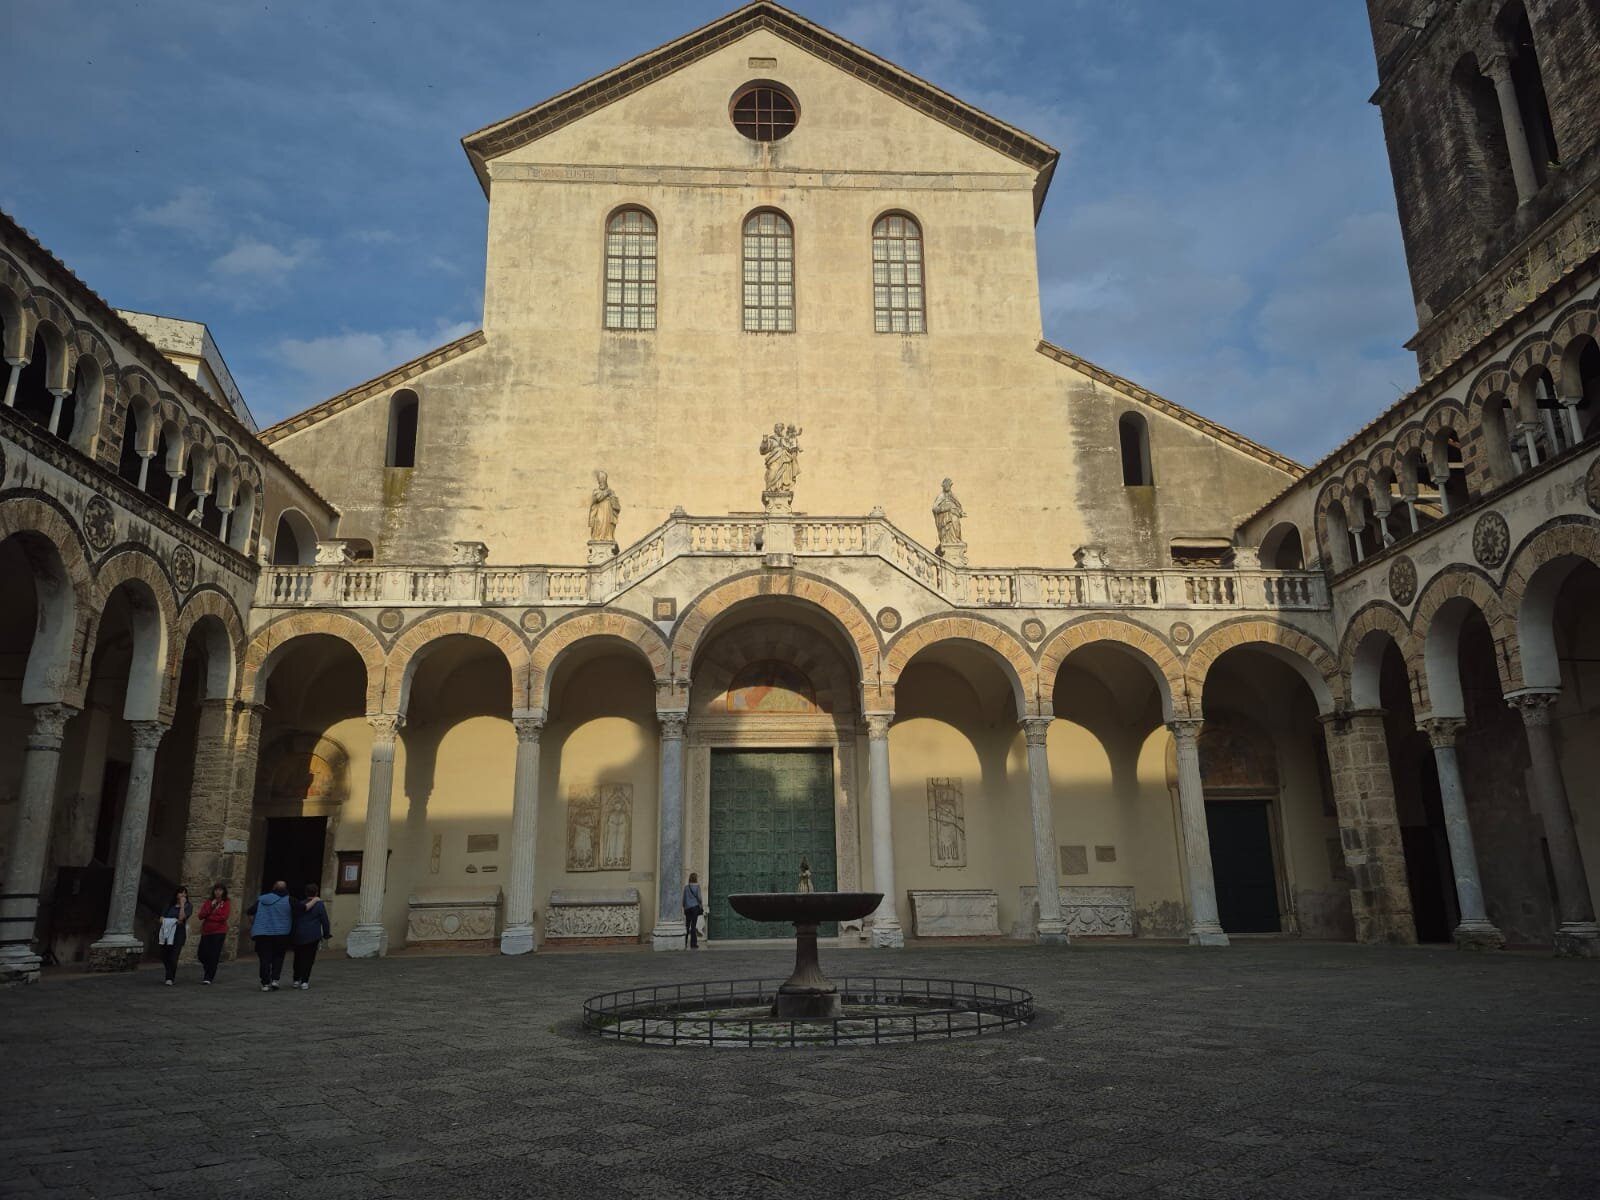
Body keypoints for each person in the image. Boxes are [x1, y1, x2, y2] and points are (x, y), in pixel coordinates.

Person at [247, 880, 296, 992]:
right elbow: (301, 909)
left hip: (263, 933)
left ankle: (265, 983)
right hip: (281, 933)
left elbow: (250, 912)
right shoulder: (288, 899)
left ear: (273, 888)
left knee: (264, 959)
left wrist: (254, 923)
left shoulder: (262, 899)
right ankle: (275, 980)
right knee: (278, 957)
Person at [291, 884, 332, 990]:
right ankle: (305, 980)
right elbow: (324, 920)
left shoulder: (300, 904)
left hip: (299, 934)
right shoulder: (319, 905)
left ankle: (296, 979)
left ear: (306, 893)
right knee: (309, 959)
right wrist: (326, 933)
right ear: (317, 893)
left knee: (298, 958)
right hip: (313, 935)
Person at [195, 883, 230, 984]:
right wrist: (211, 908)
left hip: (219, 932)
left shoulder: (226, 903)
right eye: (216, 890)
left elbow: (223, 917)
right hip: (206, 931)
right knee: (202, 954)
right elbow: (201, 915)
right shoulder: (209, 902)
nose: (218, 892)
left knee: (214, 954)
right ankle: (208, 969)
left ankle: (208, 977)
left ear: (223, 892)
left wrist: (210, 917)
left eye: (220, 890)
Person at [157, 887, 193, 985]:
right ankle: (169, 970)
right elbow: (161, 918)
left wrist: (182, 905)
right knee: (164, 955)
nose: (183, 895)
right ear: (176, 894)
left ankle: (170, 977)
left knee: (174, 955)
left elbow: (181, 918)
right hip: (166, 932)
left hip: (178, 933)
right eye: (181, 893)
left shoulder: (188, 906)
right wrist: (169, 921)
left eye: (185, 893)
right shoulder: (169, 905)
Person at [682, 872, 704, 950]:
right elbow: (699, 898)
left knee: (687, 926)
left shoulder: (686, 887)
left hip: (688, 908)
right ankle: (693, 944)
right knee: (693, 926)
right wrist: (701, 905)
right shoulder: (697, 887)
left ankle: (684, 942)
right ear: (696, 878)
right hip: (695, 908)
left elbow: (684, 899)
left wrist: (684, 906)